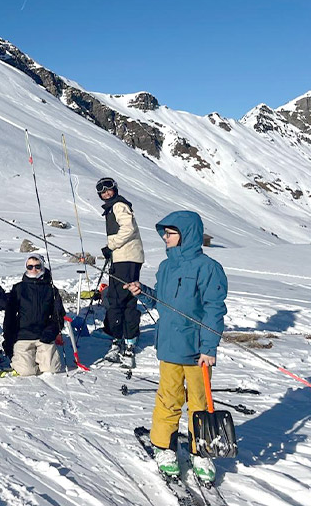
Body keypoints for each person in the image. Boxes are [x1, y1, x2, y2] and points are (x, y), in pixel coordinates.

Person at [125, 211, 227, 484]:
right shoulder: (166, 267)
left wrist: (209, 347)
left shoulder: (208, 267)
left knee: (200, 402)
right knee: (168, 399)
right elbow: (162, 301)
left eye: (170, 233)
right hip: (169, 346)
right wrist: (143, 291)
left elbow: (214, 310)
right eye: (165, 233)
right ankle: (164, 448)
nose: (165, 237)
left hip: (197, 351)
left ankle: (200, 451)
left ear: (186, 235)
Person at [97, 177, 144, 366]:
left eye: (109, 189)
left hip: (126, 258)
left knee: (120, 300)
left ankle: (122, 341)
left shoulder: (118, 206)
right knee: (123, 299)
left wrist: (111, 246)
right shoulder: (114, 206)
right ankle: (124, 338)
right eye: (102, 191)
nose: (106, 193)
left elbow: (128, 228)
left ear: (115, 189)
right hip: (125, 257)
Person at [2, 254, 65, 375]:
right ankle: (24, 357)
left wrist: (51, 332)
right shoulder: (18, 289)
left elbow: (58, 315)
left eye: (37, 266)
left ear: (42, 266)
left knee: (52, 368)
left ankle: (38, 356)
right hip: (23, 336)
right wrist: (9, 339)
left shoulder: (51, 289)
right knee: (26, 371)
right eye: (30, 266)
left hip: (44, 336)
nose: (33, 269)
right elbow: (9, 316)